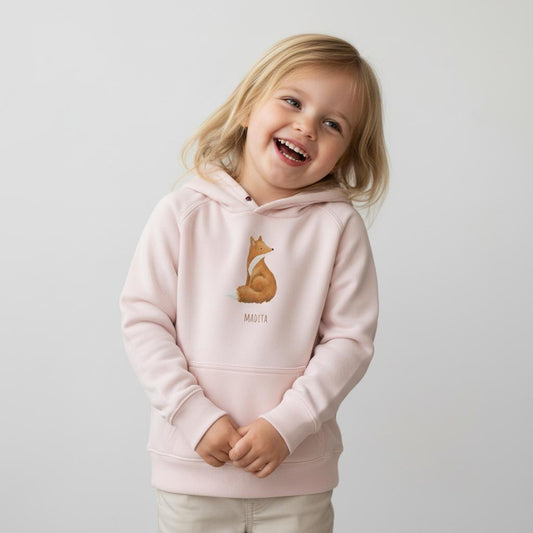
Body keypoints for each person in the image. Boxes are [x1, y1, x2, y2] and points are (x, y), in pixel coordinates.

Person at [119, 33, 389, 532]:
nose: (307, 126)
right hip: (193, 475)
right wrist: (194, 416)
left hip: (297, 482)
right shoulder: (182, 212)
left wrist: (287, 426)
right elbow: (144, 322)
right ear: (247, 107)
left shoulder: (338, 227)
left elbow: (350, 342)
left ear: (346, 153)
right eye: (292, 101)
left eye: (332, 124)